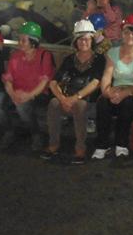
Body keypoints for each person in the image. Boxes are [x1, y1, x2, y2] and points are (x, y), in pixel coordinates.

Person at [43, 20, 106, 164]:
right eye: (80, 39)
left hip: (88, 101)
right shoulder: (69, 60)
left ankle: (80, 148)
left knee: (80, 106)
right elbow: (53, 82)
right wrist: (62, 98)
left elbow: (96, 82)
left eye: (86, 39)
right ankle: (53, 144)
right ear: (75, 41)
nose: (83, 42)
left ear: (92, 40)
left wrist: (75, 97)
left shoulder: (99, 59)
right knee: (53, 103)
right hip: (67, 98)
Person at [92, 14, 133, 159]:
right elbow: (107, 76)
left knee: (127, 104)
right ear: (122, 33)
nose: (130, 35)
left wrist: (124, 94)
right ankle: (102, 145)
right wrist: (107, 92)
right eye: (126, 32)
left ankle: (121, 144)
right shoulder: (112, 53)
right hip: (117, 91)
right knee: (102, 103)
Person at [0, 21, 55, 151]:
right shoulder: (15, 55)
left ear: (33, 41)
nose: (20, 42)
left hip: (38, 93)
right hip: (16, 92)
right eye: (19, 39)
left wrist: (28, 95)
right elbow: (8, 78)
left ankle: (36, 134)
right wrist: (13, 94)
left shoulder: (44, 55)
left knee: (22, 106)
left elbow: (45, 81)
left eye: (23, 40)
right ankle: (8, 131)